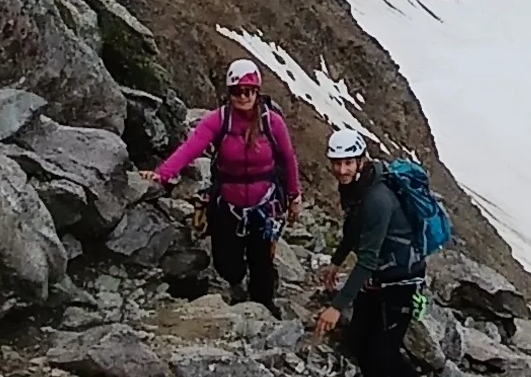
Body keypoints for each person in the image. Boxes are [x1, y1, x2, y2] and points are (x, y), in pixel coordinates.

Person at [139, 58, 301, 315]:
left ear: (257, 91)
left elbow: (288, 159)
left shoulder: (273, 123)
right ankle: (236, 282)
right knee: (227, 264)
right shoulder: (218, 120)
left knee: (261, 261)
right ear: (229, 92)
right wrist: (162, 174)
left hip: (264, 204)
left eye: (249, 90)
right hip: (227, 202)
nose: (243, 96)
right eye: (237, 91)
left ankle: (263, 305)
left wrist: (294, 196)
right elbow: (191, 148)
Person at [313, 128, 425, 377]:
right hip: (380, 276)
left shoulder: (377, 199)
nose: (342, 170)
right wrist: (336, 261)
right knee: (358, 341)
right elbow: (354, 228)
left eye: (348, 163)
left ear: (361, 161)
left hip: (401, 280)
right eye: (337, 163)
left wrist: (337, 307)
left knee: (382, 357)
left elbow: (367, 259)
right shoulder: (357, 186)